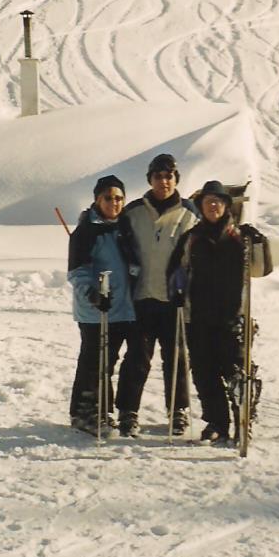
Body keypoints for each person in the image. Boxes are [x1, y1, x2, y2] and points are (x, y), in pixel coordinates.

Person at [167, 180, 266, 445]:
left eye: (218, 201)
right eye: (208, 201)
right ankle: (217, 423)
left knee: (237, 373)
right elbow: (176, 270)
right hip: (198, 317)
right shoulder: (192, 238)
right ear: (200, 206)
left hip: (233, 317)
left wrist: (259, 243)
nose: (213, 206)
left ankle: (243, 420)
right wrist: (176, 289)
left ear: (226, 206)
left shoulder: (240, 237)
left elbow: (262, 268)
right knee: (204, 374)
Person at [121, 154, 199, 438]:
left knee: (176, 357)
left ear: (176, 179)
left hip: (173, 299)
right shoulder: (133, 212)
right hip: (141, 296)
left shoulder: (190, 213)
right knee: (137, 357)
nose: (164, 182)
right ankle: (128, 411)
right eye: (158, 176)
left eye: (169, 176)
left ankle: (178, 410)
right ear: (149, 179)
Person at [67, 175, 141, 437]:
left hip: (121, 307)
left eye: (119, 198)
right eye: (108, 198)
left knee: (107, 362)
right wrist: (93, 294)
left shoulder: (124, 227)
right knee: (93, 361)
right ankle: (83, 412)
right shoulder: (87, 231)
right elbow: (77, 272)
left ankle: (101, 410)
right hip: (95, 310)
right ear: (97, 200)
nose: (114, 203)